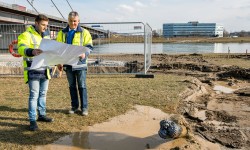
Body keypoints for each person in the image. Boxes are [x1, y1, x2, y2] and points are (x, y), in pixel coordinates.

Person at [18, 14, 54, 131]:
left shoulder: (47, 36)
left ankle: (42, 115)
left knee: (43, 94)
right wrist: (31, 51)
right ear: (36, 23)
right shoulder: (26, 35)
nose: (45, 27)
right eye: (43, 25)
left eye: (46, 25)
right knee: (34, 95)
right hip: (33, 70)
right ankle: (32, 120)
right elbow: (20, 48)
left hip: (45, 69)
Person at [56, 11, 93, 116]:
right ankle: (74, 107)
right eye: (71, 21)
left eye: (75, 21)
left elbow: (89, 47)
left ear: (78, 21)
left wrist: (84, 54)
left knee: (82, 86)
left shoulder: (85, 32)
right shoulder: (61, 33)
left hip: (80, 64)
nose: (73, 23)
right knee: (72, 86)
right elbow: (58, 49)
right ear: (68, 21)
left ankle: (84, 108)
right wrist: (59, 62)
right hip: (68, 64)